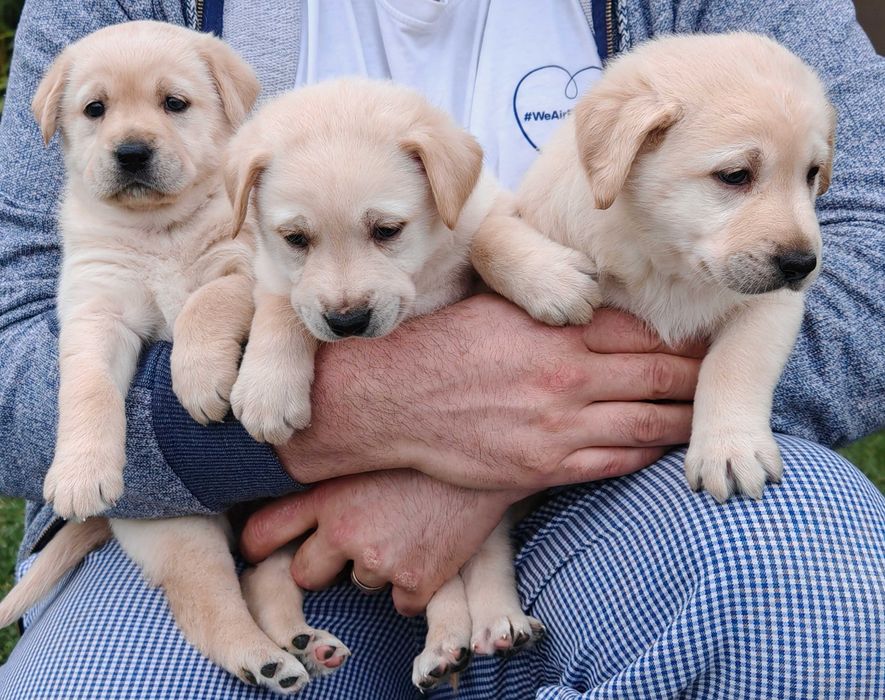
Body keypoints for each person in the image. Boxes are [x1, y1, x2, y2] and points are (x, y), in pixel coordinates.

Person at [0, 0, 882, 697]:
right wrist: (355, 425)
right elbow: (15, 349)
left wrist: (506, 457)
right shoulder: (114, 24)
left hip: (632, 489)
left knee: (811, 606)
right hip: (247, 519)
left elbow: (866, 264)